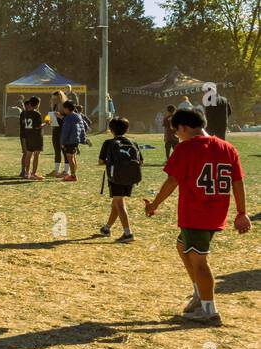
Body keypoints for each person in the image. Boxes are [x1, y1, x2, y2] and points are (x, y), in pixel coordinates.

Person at [144, 108, 250, 326]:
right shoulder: (227, 147)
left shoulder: (185, 149)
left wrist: (154, 204)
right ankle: (199, 295)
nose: (176, 135)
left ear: (184, 127)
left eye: (176, 131)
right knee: (182, 246)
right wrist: (241, 212)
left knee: (199, 262)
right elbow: (237, 182)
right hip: (215, 214)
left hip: (195, 214)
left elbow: (172, 181)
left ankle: (209, 311)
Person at [97, 116, 141, 242]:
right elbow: (140, 161)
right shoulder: (133, 143)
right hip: (131, 177)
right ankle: (107, 228)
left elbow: (101, 161)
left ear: (111, 130)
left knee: (119, 204)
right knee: (116, 203)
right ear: (127, 129)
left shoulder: (108, 143)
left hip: (115, 177)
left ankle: (128, 233)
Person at [59, 99, 86, 182]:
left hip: (69, 140)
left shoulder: (68, 118)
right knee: (73, 157)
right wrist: (82, 138)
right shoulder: (78, 116)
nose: (63, 110)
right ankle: (73, 174)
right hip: (75, 140)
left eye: (64, 108)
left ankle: (73, 176)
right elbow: (83, 127)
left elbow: (65, 131)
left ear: (67, 109)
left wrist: (62, 142)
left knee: (70, 158)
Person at [19, 96, 44, 180]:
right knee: (36, 155)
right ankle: (33, 173)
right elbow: (38, 126)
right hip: (36, 136)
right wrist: (46, 123)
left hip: (28, 136)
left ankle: (26, 173)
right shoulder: (37, 114)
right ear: (37, 104)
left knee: (28, 154)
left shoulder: (25, 113)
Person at [47, 90, 67, 177]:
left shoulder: (66, 106)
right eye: (53, 98)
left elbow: (70, 119)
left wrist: (60, 116)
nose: (54, 100)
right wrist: (50, 120)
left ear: (60, 98)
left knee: (65, 152)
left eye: (56, 99)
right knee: (57, 151)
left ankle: (66, 171)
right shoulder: (54, 106)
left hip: (64, 131)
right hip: (55, 130)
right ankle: (56, 170)